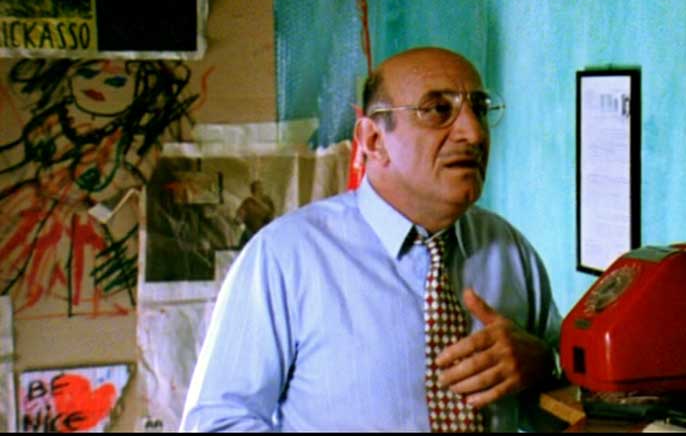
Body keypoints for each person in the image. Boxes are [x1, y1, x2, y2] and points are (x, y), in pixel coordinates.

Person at [180, 46, 562, 432]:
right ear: (374, 140)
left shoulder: (509, 251)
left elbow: (576, 409)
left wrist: (547, 365)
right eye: (437, 110)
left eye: (479, 109)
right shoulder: (286, 256)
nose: (474, 133)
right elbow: (217, 424)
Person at [235, 179, 275, 247]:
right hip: (250, 232)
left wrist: (256, 200)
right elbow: (241, 213)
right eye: (255, 189)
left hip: (264, 232)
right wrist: (239, 219)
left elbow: (269, 211)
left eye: (260, 189)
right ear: (252, 190)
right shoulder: (248, 202)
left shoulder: (267, 200)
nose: (258, 191)